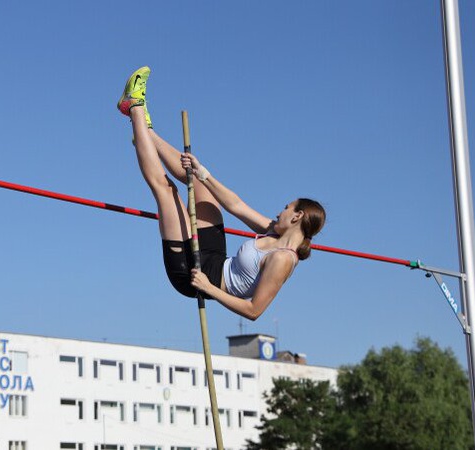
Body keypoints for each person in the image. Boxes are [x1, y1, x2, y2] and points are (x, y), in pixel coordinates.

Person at [117, 66, 326, 321]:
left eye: (286, 207)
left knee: (167, 190)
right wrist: (203, 172)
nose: (279, 211)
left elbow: (254, 310)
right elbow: (235, 205)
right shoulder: (274, 229)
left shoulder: (283, 260)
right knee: (199, 184)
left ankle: (135, 105)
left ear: (297, 217)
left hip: (194, 274)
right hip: (216, 257)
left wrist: (208, 288)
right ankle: (145, 133)